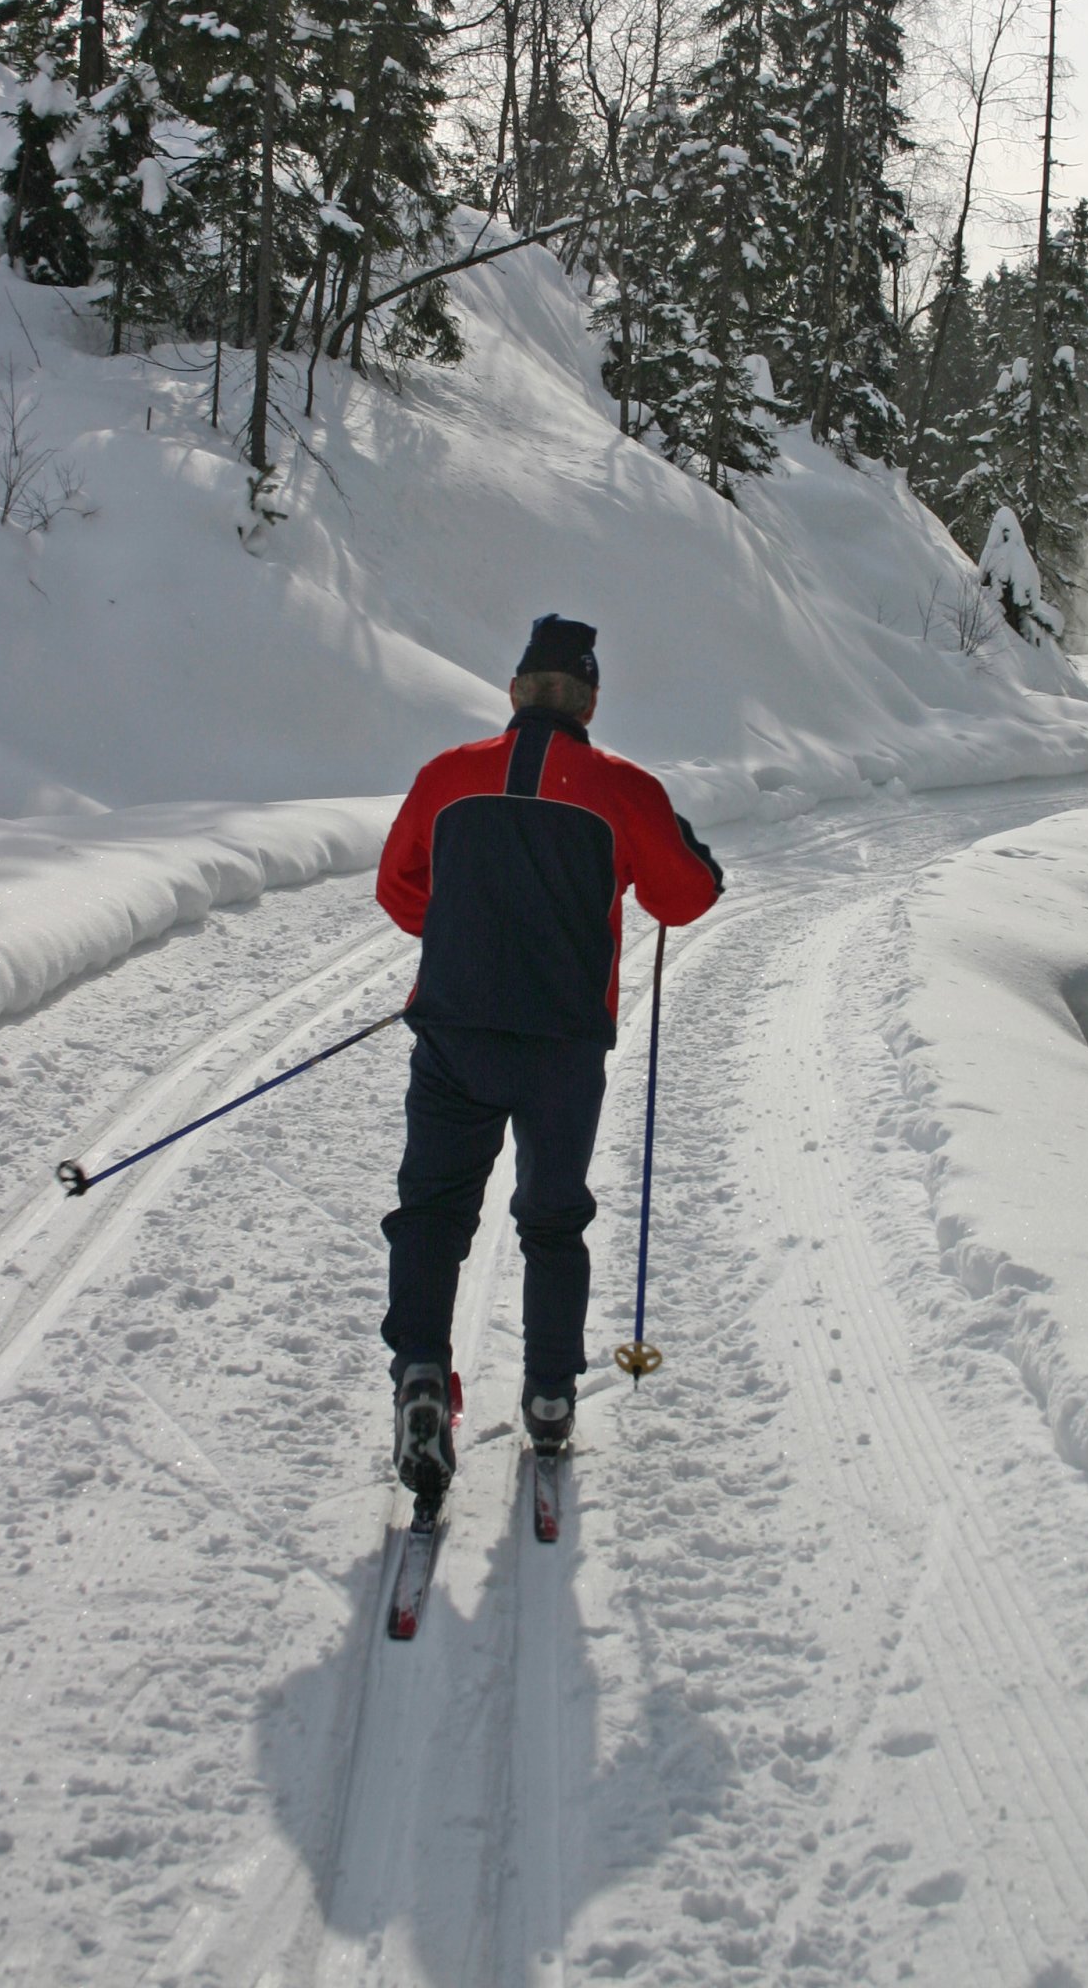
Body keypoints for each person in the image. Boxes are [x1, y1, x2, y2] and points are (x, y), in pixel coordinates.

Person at [374, 613, 723, 1505]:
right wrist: (696, 860)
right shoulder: (622, 788)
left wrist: (462, 937)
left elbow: (399, 889)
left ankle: (420, 1371)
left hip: (454, 1031)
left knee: (433, 1211)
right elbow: (684, 897)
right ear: (591, 701)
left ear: (517, 691)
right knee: (552, 1218)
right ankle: (551, 1393)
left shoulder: (448, 776)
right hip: (563, 1046)